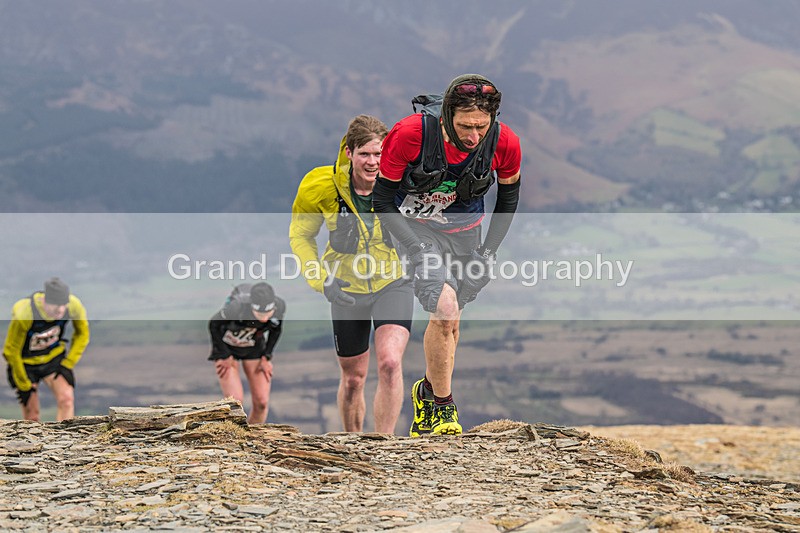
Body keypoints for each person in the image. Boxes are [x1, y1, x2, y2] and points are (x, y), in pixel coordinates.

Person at [373, 74, 522, 436]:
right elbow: (381, 199)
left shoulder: (505, 142)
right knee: (444, 305)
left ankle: (426, 392)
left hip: (465, 231)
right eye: (466, 126)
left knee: (450, 320)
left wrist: (488, 253)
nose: (474, 137)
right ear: (446, 116)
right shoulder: (410, 134)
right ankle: (442, 408)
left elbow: (508, 199)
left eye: (481, 127)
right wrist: (417, 246)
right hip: (413, 227)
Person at [290, 114, 413, 434]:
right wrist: (321, 280)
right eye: (365, 154)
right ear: (349, 152)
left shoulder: (403, 179)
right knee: (354, 378)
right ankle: (353, 442)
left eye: (379, 154)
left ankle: (383, 445)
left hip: (393, 282)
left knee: (389, 363)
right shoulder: (319, 185)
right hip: (345, 287)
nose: (373, 162)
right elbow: (301, 236)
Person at [3, 277, 90, 422]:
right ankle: (32, 443)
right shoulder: (25, 314)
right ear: (44, 300)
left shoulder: (73, 305)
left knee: (67, 399)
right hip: (26, 364)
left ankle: (65, 439)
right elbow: (11, 350)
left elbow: (83, 334)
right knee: (32, 415)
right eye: (56, 305)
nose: (61, 310)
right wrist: (24, 384)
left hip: (53, 358)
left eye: (64, 305)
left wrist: (68, 363)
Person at [208, 282, 285, 424]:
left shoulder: (279, 306)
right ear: (251, 306)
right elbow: (213, 324)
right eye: (259, 314)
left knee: (262, 402)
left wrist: (266, 357)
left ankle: (253, 440)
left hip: (254, 347)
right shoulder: (236, 307)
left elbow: (276, 330)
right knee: (235, 402)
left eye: (268, 313)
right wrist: (223, 355)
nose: (264, 318)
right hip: (227, 347)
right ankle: (234, 439)